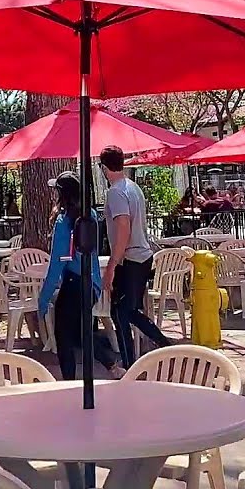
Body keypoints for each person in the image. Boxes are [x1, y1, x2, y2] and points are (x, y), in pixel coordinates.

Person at [39, 171, 124, 380]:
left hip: (73, 283)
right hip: (91, 282)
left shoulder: (63, 222)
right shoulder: (91, 216)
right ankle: (110, 361)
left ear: (61, 194)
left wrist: (43, 299)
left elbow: (57, 264)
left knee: (64, 336)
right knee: (79, 332)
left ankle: (68, 382)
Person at [99, 145, 172, 367]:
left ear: (103, 168)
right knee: (127, 311)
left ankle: (131, 362)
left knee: (120, 313)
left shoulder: (116, 192)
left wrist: (111, 267)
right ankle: (163, 345)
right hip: (142, 256)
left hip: (129, 258)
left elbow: (123, 229)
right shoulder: (133, 188)